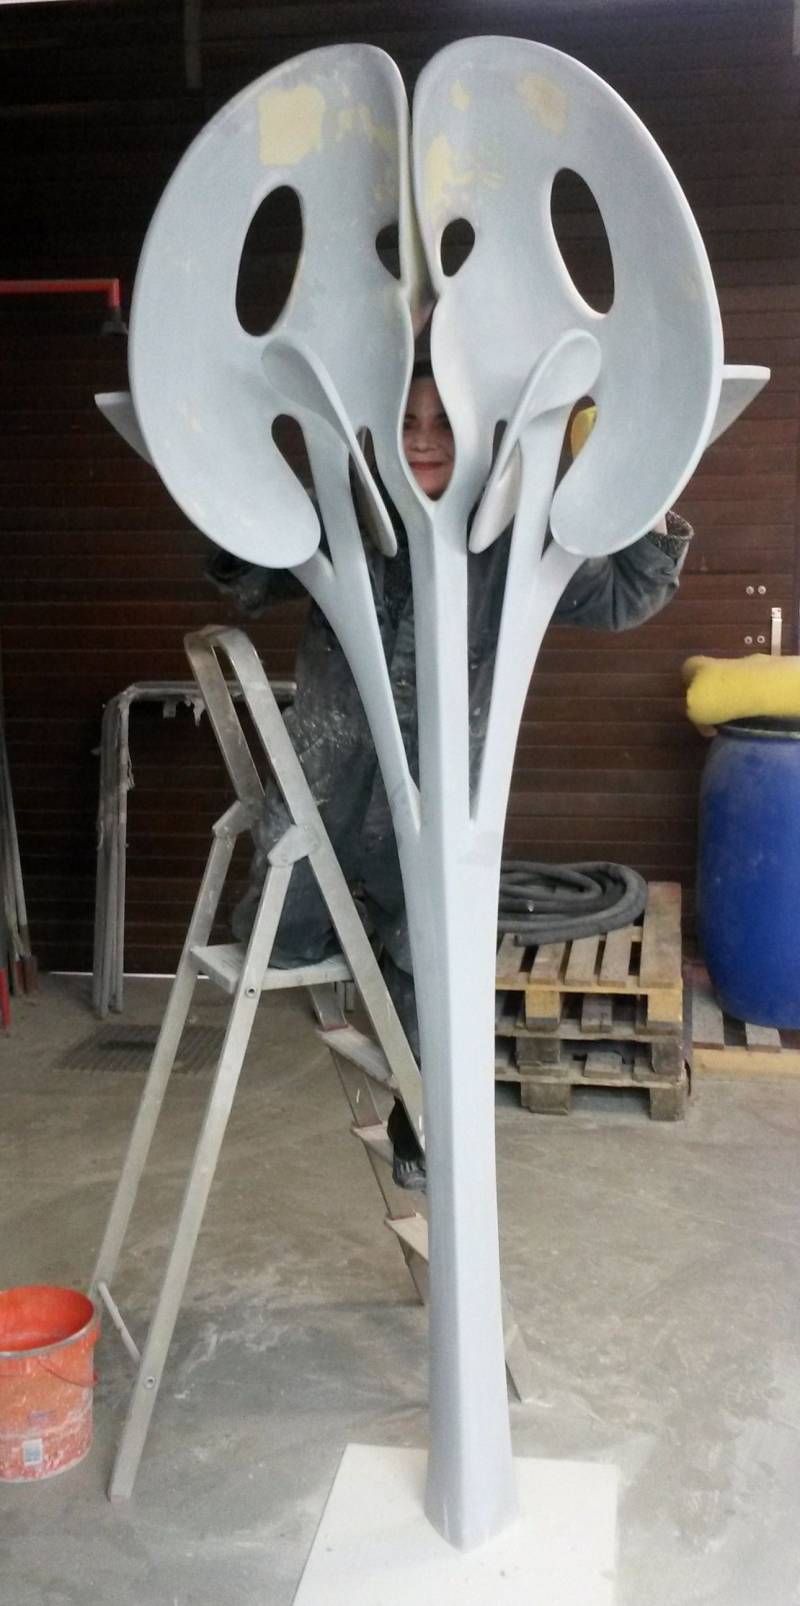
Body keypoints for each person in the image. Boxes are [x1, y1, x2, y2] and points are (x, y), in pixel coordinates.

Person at [208, 365, 692, 1188]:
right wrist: (223, 474)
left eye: (444, 421)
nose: (425, 439)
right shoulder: (342, 521)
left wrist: (635, 478)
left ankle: (421, 1126)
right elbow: (246, 576)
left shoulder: (508, 541)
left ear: (477, 436)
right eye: (407, 421)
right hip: (325, 810)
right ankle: (363, 961)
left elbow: (624, 596)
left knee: (429, 976)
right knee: (282, 945)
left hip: (432, 819)